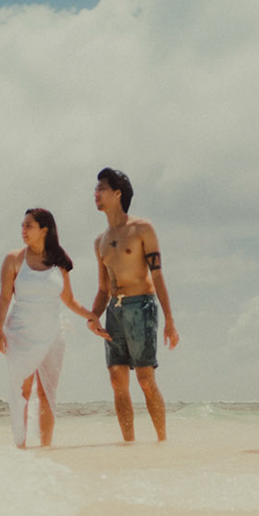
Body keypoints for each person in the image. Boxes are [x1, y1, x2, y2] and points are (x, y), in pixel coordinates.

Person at [0, 208, 102, 448]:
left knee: (46, 393)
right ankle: (20, 447)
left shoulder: (58, 263)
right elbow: (4, 297)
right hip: (21, 331)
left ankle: (47, 449)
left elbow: (70, 300)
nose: (23, 230)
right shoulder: (14, 259)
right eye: (22, 226)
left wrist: (92, 316)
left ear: (44, 230)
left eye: (28, 226)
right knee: (22, 390)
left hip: (52, 332)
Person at [86, 167, 178, 442]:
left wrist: (170, 321)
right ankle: (129, 445)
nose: (96, 194)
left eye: (101, 189)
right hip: (114, 310)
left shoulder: (142, 229)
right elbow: (103, 288)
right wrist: (93, 317)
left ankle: (162, 441)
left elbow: (158, 275)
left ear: (117, 194)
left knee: (145, 380)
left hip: (142, 306)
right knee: (117, 381)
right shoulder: (99, 241)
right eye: (96, 189)